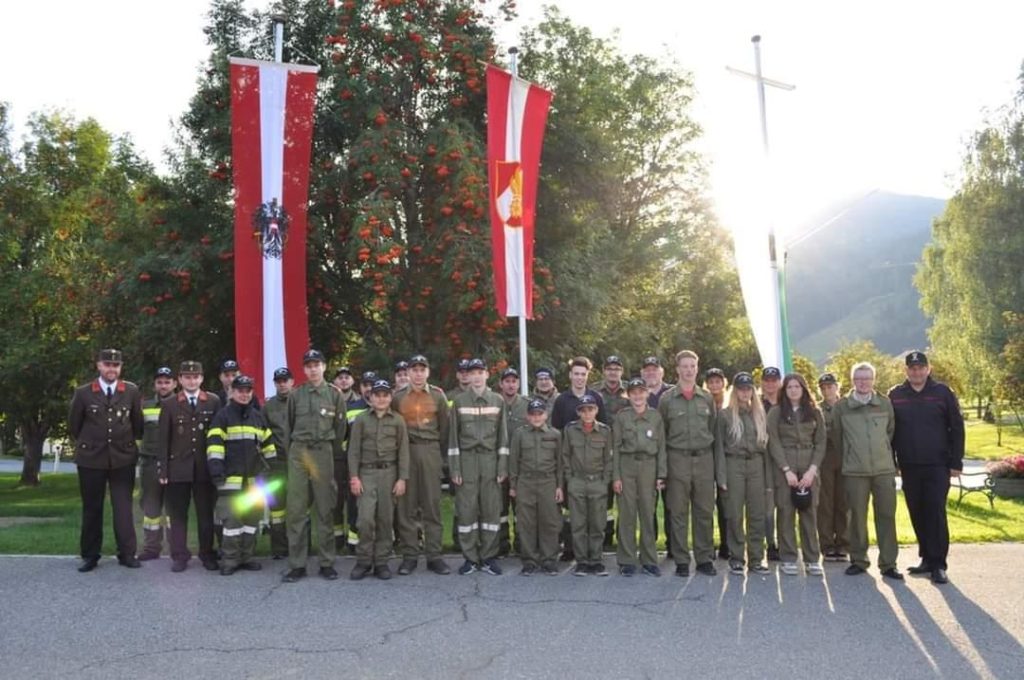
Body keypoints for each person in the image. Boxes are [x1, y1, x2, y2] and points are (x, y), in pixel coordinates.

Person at [889, 351, 965, 585]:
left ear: (928, 369)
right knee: (917, 512)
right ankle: (925, 558)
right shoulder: (895, 394)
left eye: (921, 367)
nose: (917, 371)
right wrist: (893, 462)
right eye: (912, 368)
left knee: (935, 512)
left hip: (938, 465)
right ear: (906, 370)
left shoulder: (943, 393)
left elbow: (957, 428)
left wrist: (956, 462)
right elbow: (889, 432)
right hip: (909, 465)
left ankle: (939, 564)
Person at [68, 348, 145, 572]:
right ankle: (90, 555)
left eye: (116, 365)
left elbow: (137, 424)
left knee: (123, 508)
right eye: (107, 364)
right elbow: (75, 425)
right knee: (92, 508)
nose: (112, 369)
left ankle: (127, 553)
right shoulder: (83, 392)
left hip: (122, 458)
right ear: (98, 366)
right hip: (91, 458)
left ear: (120, 367)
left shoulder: (130, 390)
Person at [832, 362, 903, 581]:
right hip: (854, 472)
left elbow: (890, 432)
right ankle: (859, 560)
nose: (863, 382)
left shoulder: (884, 403)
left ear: (874, 380)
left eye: (867, 378)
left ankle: (889, 563)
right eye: (859, 378)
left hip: (883, 470)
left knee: (887, 516)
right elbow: (837, 437)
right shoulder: (842, 406)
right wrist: (852, 458)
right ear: (853, 381)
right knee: (856, 518)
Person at [282, 349, 347, 583]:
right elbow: (288, 426)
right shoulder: (295, 395)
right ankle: (297, 564)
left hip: (323, 452)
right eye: (308, 365)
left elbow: (340, 429)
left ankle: (327, 562)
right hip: (299, 452)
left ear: (324, 366)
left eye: (316, 364)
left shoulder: (334, 395)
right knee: (297, 509)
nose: (312, 369)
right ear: (304, 369)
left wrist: (328, 447)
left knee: (325, 507)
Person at [206, 374, 276, 575]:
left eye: (248, 391)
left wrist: (271, 468)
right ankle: (230, 560)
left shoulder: (257, 416)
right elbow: (215, 446)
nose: (244, 394)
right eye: (240, 391)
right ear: (232, 392)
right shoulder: (223, 416)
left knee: (251, 521)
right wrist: (217, 471)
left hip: (254, 481)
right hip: (230, 480)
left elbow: (268, 445)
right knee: (232, 522)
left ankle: (246, 557)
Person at [658, 350, 719, 577]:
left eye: (692, 366)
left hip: (704, 460)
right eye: (684, 366)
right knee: (678, 511)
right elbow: (662, 436)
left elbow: (712, 430)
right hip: (677, 460)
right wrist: (663, 470)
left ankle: (704, 559)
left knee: (704, 510)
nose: (689, 370)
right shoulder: (667, 399)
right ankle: (682, 560)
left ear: (697, 368)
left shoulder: (707, 398)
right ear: (677, 369)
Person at [158, 361, 222, 572]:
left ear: (202, 379)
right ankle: (179, 555)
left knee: (205, 515)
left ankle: (207, 553)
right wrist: (164, 470)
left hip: (204, 469)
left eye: (195, 377)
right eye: (187, 377)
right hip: (178, 469)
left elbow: (219, 435)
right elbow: (163, 440)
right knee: (178, 515)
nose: (192, 380)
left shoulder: (213, 401)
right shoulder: (169, 404)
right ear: (180, 380)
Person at [447, 358, 509, 575]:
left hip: (490, 460)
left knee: (491, 509)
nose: (475, 376)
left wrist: (503, 467)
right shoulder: (459, 401)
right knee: (467, 510)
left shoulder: (497, 400)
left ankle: (489, 557)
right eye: (471, 372)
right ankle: (470, 558)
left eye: (479, 372)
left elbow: (503, 437)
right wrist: (454, 469)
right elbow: (453, 439)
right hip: (467, 461)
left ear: (486, 375)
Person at [392, 354, 451, 575]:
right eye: (414, 370)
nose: (418, 373)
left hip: (430, 451)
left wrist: (440, 458)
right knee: (407, 508)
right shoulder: (398, 397)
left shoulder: (438, 396)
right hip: (407, 451)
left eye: (421, 369)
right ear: (407, 373)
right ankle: (409, 556)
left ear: (427, 372)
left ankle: (434, 556)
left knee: (432, 506)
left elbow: (445, 429)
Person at [348, 379, 410, 580]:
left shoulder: (398, 420)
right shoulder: (361, 420)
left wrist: (402, 479)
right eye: (377, 395)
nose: (381, 399)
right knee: (365, 520)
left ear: (390, 398)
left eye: (385, 395)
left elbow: (403, 452)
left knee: (385, 519)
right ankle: (364, 561)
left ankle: (382, 562)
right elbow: (353, 451)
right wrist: (354, 477)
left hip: (389, 474)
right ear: (370, 397)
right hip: (366, 474)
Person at [767, 374, 827, 576]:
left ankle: (812, 559)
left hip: (809, 465)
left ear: (803, 389)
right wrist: (786, 470)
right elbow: (773, 442)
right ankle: (789, 557)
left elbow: (821, 442)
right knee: (786, 512)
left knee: (809, 512)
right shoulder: (776, 412)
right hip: (786, 466)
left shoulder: (814, 412)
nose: (793, 390)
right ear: (784, 390)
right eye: (790, 386)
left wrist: (812, 470)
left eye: (797, 386)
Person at [715, 372, 770, 575]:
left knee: (757, 514)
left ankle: (756, 558)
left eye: (748, 388)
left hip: (756, 464)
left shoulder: (760, 413)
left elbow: (766, 448)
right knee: (734, 514)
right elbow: (719, 448)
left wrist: (768, 478)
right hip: (733, 465)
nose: (745, 392)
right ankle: (736, 557)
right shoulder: (725, 415)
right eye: (741, 388)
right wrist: (721, 477)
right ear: (735, 390)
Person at [612, 378, 666, 576]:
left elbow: (661, 448)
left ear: (647, 393)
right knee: (627, 514)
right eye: (633, 392)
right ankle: (627, 560)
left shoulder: (656, 417)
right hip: (627, 465)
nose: (637, 396)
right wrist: (616, 476)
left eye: (641, 392)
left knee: (647, 513)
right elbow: (615, 448)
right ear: (628, 395)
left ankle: (649, 559)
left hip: (649, 467)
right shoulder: (622, 417)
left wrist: (661, 474)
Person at [508, 399, 563, 575]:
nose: (537, 417)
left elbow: (560, 463)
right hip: (526, 482)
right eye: (533, 414)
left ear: (546, 415)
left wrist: (559, 486)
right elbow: (514, 461)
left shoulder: (555, 435)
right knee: (526, 523)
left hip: (548, 482)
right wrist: (513, 485)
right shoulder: (520, 434)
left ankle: (549, 560)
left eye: (540, 414)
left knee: (549, 522)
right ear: (527, 416)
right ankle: (529, 560)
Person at [561, 395, 614, 576]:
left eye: (590, 409)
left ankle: (596, 560)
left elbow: (609, 459)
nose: (587, 413)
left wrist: (605, 480)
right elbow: (565, 455)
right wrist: (569, 478)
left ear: (596, 410)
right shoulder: (570, 430)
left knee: (597, 523)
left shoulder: (605, 431)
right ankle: (582, 561)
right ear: (579, 412)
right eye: (583, 410)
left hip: (597, 482)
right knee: (578, 524)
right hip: (577, 482)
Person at [138, 366, 176, 561]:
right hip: (150, 463)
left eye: (167, 382)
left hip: (173, 464)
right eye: (160, 382)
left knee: (172, 509)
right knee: (150, 509)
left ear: (174, 384)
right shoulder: (145, 406)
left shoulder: (181, 404)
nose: (163, 385)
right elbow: (137, 432)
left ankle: (175, 549)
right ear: (155, 384)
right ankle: (151, 548)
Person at [497, 367, 530, 555]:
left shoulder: (526, 405)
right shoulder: (493, 403)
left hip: (521, 465)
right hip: (498, 464)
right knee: (500, 508)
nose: (510, 385)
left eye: (514, 381)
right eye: (507, 381)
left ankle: (520, 544)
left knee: (521, 508)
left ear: (518, 383)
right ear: (501, 384)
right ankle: (501, 545)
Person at [817, 372, 849, 562]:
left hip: (845, 456)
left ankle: (844, 544)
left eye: (830, 386)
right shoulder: (817, 408)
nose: (827, 390)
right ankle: (827, 545)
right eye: (824, 387)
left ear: (837, 386)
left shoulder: (846, 406)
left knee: (844, 503)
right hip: (825, 458)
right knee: (825, 503)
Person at [263, 367, 293, 559]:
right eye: (278, 381)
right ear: (274, 383)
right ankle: (279, 549)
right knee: (277, 508)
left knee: (300, 506)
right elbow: (264, 434)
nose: (282, 384)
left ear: (292, 381)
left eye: (285, 380)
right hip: (276, 463)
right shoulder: (268, 406)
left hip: (298, 462)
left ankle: (301, 547)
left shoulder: (300, 402)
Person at [705, 367, 730, 559]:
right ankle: (707, 544)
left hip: (725, 457)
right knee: (705, 504)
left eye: (717, 381)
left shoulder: (730, 402)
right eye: (711, 381)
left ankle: (726, 543)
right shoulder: (703, 401)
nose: (714, 385)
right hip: (705, 456)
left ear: (723, 382)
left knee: (725, 502)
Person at [760, 366, 783, 562]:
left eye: (774, 380)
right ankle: (770, 544)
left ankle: (786, 542)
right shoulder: (756, 404)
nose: (770, 383)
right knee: (767, 505)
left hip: (785, 458)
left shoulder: (787, 403)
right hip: (763, 459)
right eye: (767, 380)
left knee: (785, 503)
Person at [551, 357, 608, 429]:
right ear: (570, 375)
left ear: (587, 376)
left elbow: (603, 427)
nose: (580, 377)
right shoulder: (561, 400)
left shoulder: (596, 398)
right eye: (576, 374)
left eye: (583, 374)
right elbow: (556, 429)